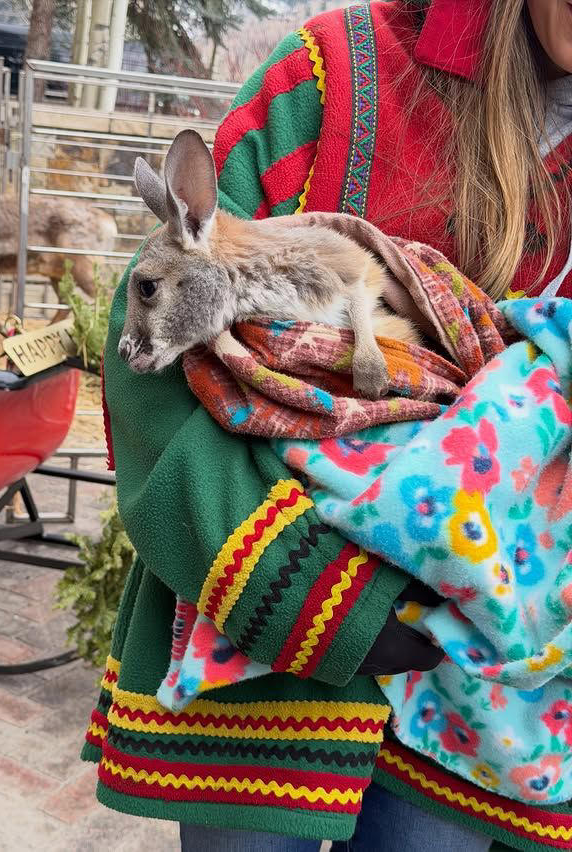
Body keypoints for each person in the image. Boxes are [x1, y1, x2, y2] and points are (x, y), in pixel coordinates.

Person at [81, 1, 572, 850]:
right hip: (260, 659)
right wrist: (299, 589)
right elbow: (153, 332)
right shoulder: (337, 74)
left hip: (474, 686)